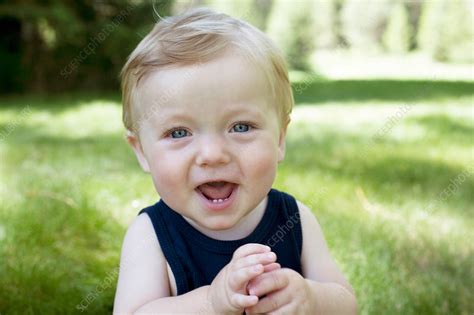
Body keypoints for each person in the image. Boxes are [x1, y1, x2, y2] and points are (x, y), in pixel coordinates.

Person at [113, 7, 357, 314]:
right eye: (178, 132)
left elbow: (346, 303)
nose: (213, 154)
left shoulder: (295, 219)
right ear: (141, 151)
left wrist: (312, 297)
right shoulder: (151, 234)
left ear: (280, 139)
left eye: (240, 127)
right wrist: (211, 303)